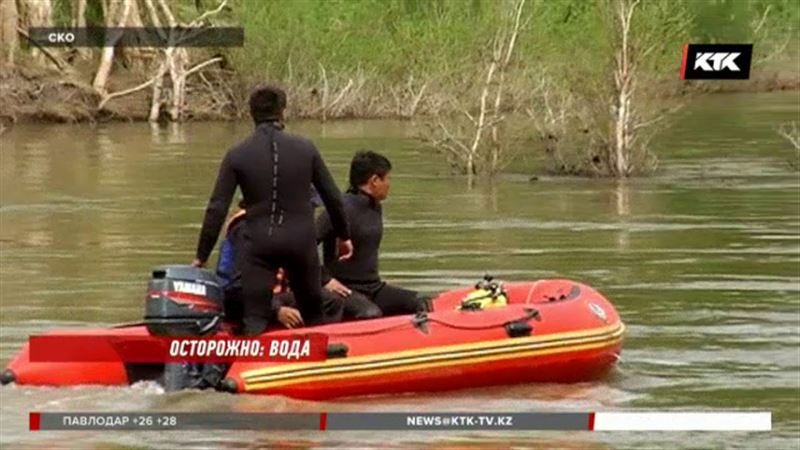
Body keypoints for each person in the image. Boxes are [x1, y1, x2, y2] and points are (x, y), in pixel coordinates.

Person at [193, 84, 353, 336]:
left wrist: (201, 255)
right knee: (313, 314)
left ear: (251, 113)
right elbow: (333, 197)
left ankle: (247, 368)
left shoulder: (237, 154)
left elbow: (217, 207)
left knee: (255, 318)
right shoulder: (306, 148)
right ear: (283, 111)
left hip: (260, 241)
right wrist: (344, 236)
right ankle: (314, 364)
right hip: (301, 240)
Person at [317, 150, 430, 316]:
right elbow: (303, 246)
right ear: (375, 181)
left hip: (373, 288)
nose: (389, 184)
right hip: (343, 291)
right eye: (387, 178)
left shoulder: (376, 206)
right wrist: (325, 280)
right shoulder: (339, 208)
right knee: (370, 313)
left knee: (420, 301)